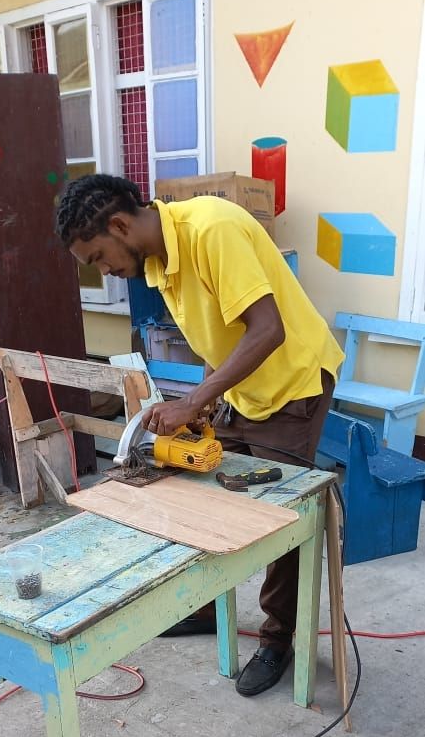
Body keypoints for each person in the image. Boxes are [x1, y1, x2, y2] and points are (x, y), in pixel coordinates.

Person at [55, 173, 344, 697]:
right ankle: (208, 605)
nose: (107, 271)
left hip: (293, 383)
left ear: (120, 225)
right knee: (201, 488)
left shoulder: (212, 230)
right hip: (243, 393)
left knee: (280, 518)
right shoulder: (161, 263)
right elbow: (219, 333)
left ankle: (278, 639)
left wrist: (191, 398)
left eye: (99, 257)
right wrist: (207, 402)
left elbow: (267, 329)